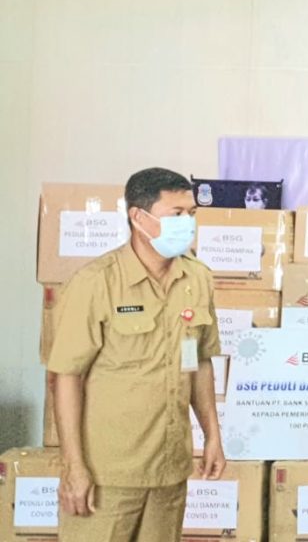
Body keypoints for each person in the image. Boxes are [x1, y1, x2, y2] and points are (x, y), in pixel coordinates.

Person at [48, 168, 226, 541]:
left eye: (191, 213)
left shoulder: (197, 279)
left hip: (169, 468)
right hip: (108, 472)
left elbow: (198, 361)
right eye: (176, 214)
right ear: (138, 217)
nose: (187, 223)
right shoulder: (96, 282)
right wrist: (73, 466)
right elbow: (66, 376)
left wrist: (212, 435)